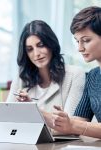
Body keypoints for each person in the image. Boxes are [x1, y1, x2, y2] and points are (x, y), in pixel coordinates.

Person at [43, 6, 101, 139]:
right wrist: (35, 112)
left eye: (86, 40)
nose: (80, 48)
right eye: (77, 41)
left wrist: (72, 125)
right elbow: (77, 122)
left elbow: (75, 125)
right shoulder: (92, 76)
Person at [6, 20, 85, 116]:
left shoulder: (75, 75)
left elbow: (68, 124)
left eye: (41, 45)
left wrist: (33, 109)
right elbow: (7, 117)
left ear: (51, 44)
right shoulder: (21, 77)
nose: (36, 54)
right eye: (30, 49)